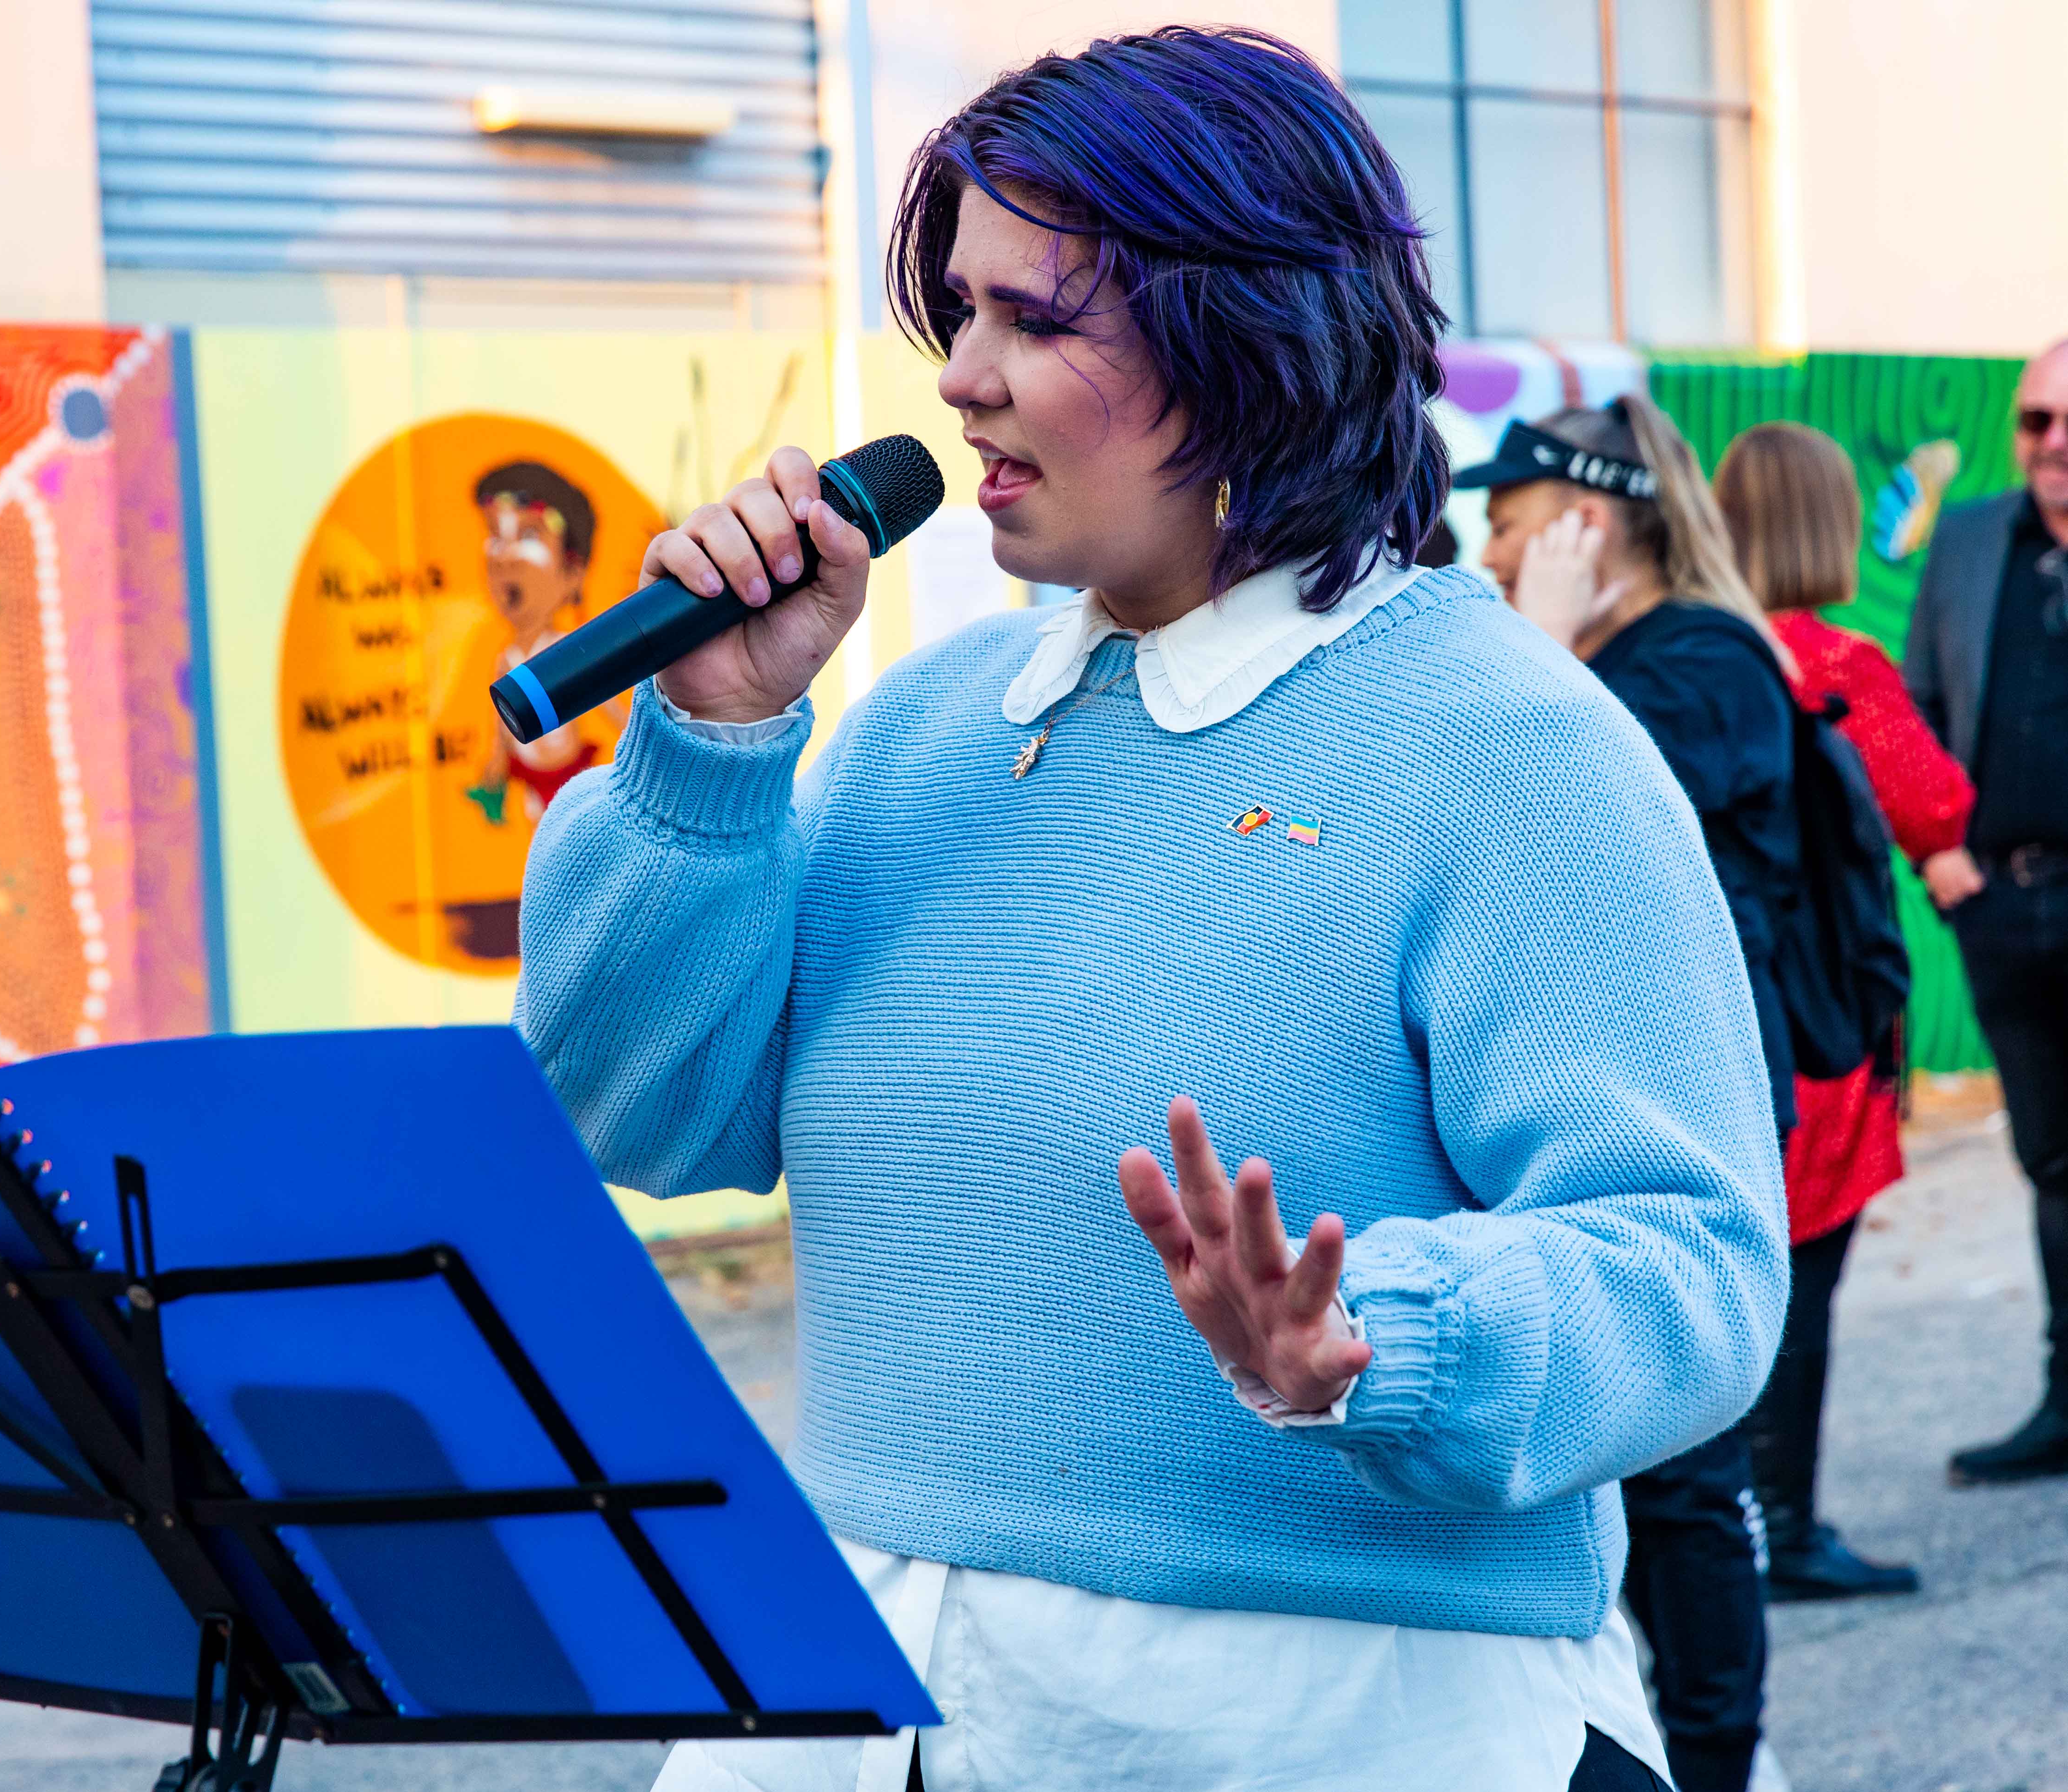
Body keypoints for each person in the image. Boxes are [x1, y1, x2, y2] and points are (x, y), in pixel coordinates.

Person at [516, 29, 1784, 1792]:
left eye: (1033, 319)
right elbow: (638, 1112)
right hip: (859, 1695)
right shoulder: (918, 729)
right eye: (953, 313)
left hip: (1326, 1718)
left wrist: (1380, 1340)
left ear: (1251, 341)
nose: (958, 377)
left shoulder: (1508, 749)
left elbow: (1692, 1257)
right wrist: (711, 745)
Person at [1467, 395, 1790, 1792]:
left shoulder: (1702, 663)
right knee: (1613, 1474)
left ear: (1584, 523)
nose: (1488, 550)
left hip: (1692, 1125)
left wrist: (1531, 650)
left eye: (1511, 521)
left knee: (1683, 1479)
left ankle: (1719, 1764)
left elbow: (1567, 797)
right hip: (1595, 1106)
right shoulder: (1606, 663)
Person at [1713, 421, 1971, 1597]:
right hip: (1822, 1023)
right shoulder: (1835, 667)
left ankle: (1712, 1521)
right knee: (1803, 1282)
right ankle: (1784, 1525)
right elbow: (1935, 801)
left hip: (1718, 1009)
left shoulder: (1684, 658)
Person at [1906, 339, 2068, 1485]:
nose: (2051, 443)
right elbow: (1911, 707)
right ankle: (2067, 1398)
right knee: (2054, 1162)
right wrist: (1936, 855)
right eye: (2035, 421)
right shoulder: (1968, 542)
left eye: (2067, 420)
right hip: (2003, 909)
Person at [468, 460, 602, 826]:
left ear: (573, 574)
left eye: (529, 537)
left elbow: (605, 700)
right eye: (496, 536)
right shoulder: (508, 660)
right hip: (530, 775)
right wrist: (496, 762)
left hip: (569, 773)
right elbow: (503, 718)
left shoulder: (563, 650)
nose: (505, 559)